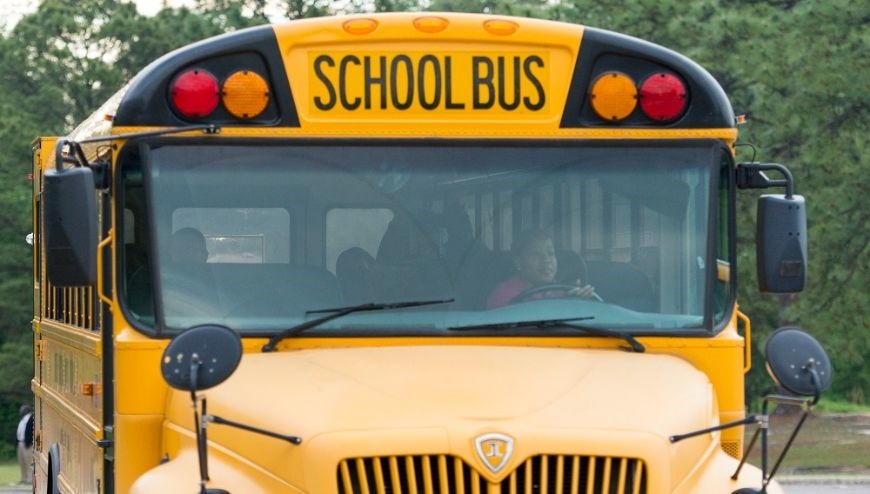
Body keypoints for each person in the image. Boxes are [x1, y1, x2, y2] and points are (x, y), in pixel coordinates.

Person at [487, 229, 597, 308]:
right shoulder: (503, 295)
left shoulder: (563, 291)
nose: (546, 260)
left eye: (550, 253)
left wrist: (579, 304)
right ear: (519, 262)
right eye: (536, 254)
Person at [16, 404, 33, 485]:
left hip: (27, 443)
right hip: (20, 442)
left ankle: (30, 479)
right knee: (22, 461)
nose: (20, 411)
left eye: (22, 409)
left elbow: (31, 431)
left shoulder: (31, 418)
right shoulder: (22, 419)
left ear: (26, 410)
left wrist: (30, 442)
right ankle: (24, 478)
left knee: (28, 461)